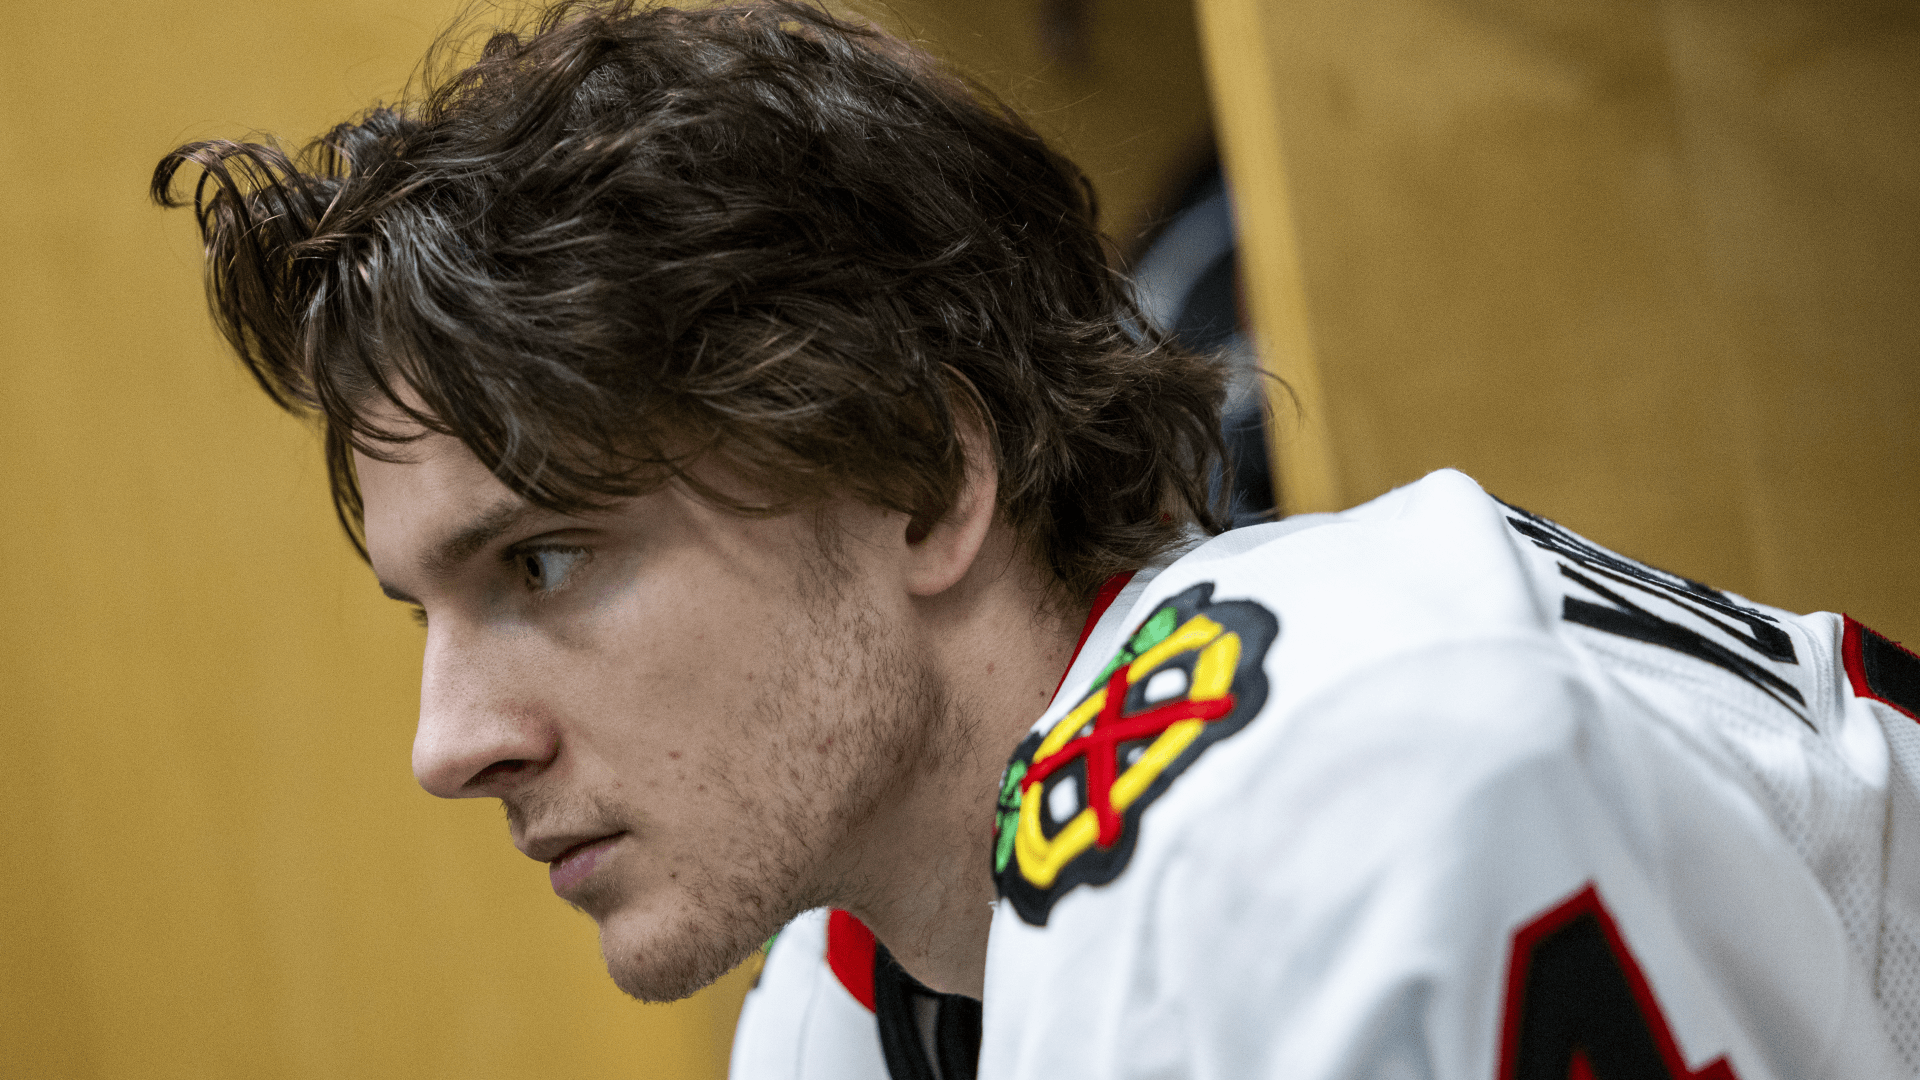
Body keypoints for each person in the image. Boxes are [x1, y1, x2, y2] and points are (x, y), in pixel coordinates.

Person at [153, 3, 1920, 1078]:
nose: (449, 743)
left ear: (928, 481)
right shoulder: (849, 990)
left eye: (542, 561)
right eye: (425, 610)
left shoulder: (1341, 799)